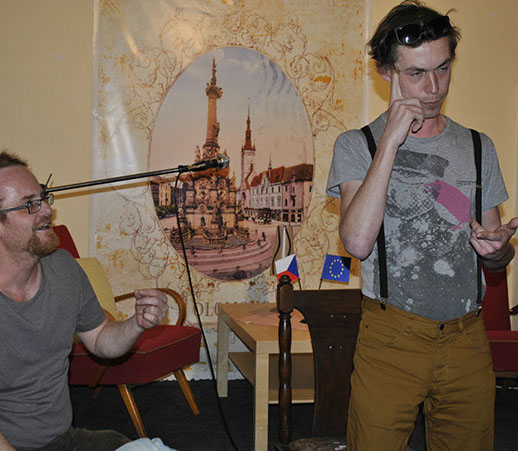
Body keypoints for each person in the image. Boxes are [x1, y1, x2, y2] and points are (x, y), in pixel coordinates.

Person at [326, 1, 518, 450]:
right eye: (416, 73)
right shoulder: (357, 145)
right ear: (386, 72)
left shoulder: (479, 147)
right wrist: (391, 141)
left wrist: (500, 250)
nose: (433, 88)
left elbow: (496, 255)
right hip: (391, 337)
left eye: (443, 68)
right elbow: (357, 242)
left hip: (467, 338)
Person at [0, 151, 169, 450]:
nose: (47, 209)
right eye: (30, 204)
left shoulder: (63, 267)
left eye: (44, 197)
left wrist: (137, 323)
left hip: (64, 440)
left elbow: (102, 338)